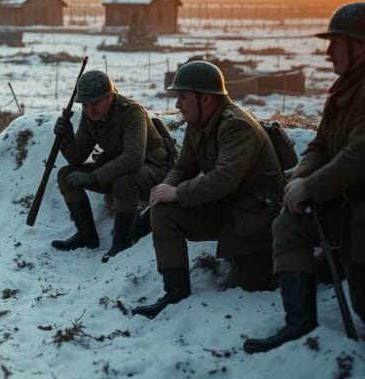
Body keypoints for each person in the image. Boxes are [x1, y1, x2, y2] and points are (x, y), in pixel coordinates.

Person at [244, 2, 365, 353]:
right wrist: (299, 180)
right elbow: (320, 145)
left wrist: (310, 186)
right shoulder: (343, 91)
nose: (327, 53)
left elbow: (359, 155)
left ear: (359, 46)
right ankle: (300, 322)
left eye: (335, 43)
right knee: (290, 225)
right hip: (346, 208)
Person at [133, 61, 284, 319]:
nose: (178, 104)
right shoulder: (199, 123)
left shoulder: (237, 125)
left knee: (250, 289)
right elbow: (184, 167)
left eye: (183, 97)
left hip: (255, 217)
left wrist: (178, 193)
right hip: (226, 207)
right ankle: (175, 293)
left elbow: (224, 178)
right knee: (164, 212)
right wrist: (166, 187)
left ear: (206, 99)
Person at [52, 70, 170, 262]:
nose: (90, 109)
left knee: (125, 181)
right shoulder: (90, 116)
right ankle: (86, 235)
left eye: (95, 103)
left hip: (156, 170)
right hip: (121, 169)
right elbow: (77, 158)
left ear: (110, 97)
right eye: (85, 104)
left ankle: (122, 242)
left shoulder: (132, 111)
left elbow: (134, 157)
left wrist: (94, 176)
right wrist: (66, 137)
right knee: (67, 175)